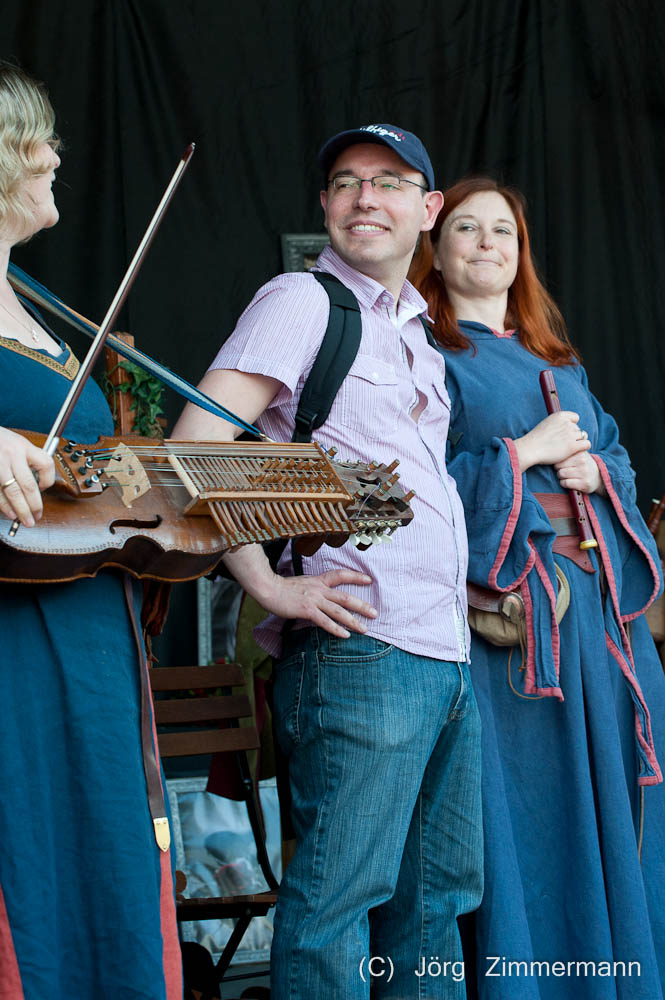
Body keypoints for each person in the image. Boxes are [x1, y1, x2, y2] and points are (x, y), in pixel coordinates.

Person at [173, 124, 482, 999]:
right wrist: (268, 583)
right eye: (344, 183)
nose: (362, 198)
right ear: (324, 207)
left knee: (435, 905)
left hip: (444, 652)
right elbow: (194, 449)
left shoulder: (419, 333)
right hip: (361, 653)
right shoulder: (302, 301)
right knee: (338, 906)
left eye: (387, 182)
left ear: (427, 210)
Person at [409, 176, 665, 998]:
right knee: (526, 809)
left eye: (503, 234)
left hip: (592, 622)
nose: (487, 244)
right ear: (435, 250)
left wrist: (595, 472)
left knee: (615, 799)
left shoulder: (562, 364)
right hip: (515, 627)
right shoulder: (427, 356)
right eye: (466, 230)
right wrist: (522, 454)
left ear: (520, 258)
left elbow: (617, 466)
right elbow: (420, 487)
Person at [0, 63, 181, 999]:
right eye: (40, 140)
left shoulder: (35, 306)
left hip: (85, 624)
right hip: (11, 642)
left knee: (102, 843)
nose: (58, 156)